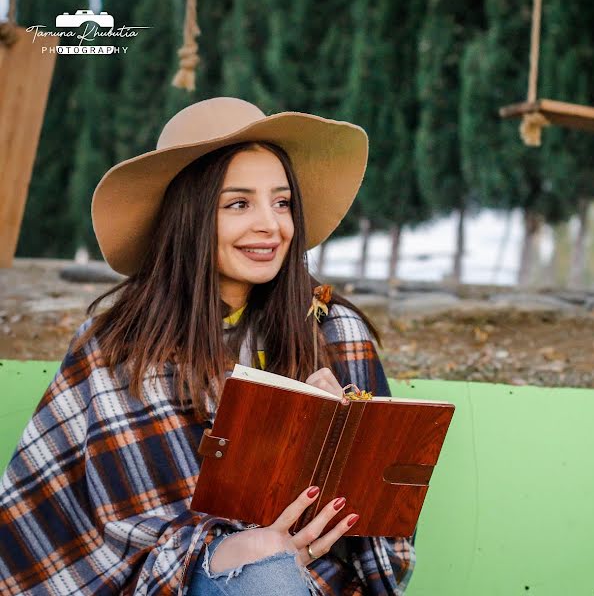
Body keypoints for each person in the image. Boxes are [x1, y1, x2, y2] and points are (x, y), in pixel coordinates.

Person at [0, 97, 414, 595]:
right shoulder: (122, 347)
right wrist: (236, 548)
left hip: (317, 574)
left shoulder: (331, 329)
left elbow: (384, 512)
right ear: (190, 216)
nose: (271, 224)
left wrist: (336, 443)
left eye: (281, 202)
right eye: (238, 203)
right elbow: (123, 525)